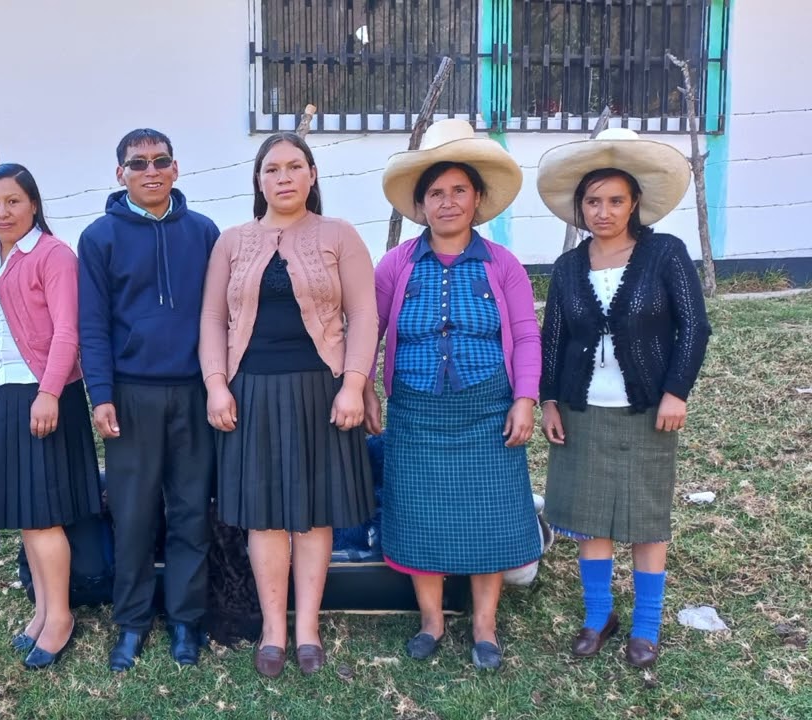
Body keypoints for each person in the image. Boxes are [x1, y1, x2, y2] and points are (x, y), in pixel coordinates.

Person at [200, 132, 378, 678]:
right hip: (249, 389)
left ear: (312, 175)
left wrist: (353, 384)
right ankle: (274, 629)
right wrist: (215, 384)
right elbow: (211, 319)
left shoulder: (339, 235)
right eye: (272, 168)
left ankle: (308, 629)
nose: (283, 177)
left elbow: (365, 316)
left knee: (313, 512)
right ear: (258, 180)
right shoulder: (232, 241)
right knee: (264, 513)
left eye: (294, 166)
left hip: (320, 391)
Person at [536, 128, 711, 668]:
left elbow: (694, 327)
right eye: (593, 201)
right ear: (579, 208)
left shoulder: (664, 253)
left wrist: (675, 392)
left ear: (634, 203)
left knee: (643, 517)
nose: (603, 211)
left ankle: (646, 627)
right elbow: (553, 339)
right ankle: (598, 616)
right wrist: (548, 401)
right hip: (582, 408)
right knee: (590, 519)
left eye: (615, 200)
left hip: (646, 410)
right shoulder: (568, 267)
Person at [374, 119, 542, 671]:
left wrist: (525, 398)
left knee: (489, 516)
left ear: (477, 200)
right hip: (416, 410)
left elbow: (523, 334)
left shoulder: (504, 265)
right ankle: (432, 621)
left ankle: (485, 627)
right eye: (435, 194)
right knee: (420, 514)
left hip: (487, 410)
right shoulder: (396, 265)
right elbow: (367, 332)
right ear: (420, 205)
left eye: (458, 192)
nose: (447, 203)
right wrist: (362, 388)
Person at [77, 128, 220, 671]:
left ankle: (186, 620)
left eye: (160, 161)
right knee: (133, 516)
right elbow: (93, 325)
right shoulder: (99, 238)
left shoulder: (205, 233)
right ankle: (132, 622)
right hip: (132, 395)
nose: (151, 171)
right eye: (138, 164)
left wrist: (217, 385)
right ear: (121, 174)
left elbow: (222, 317)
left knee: (189, 512)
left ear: (176, 169)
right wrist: (101, 395)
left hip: (193, 392)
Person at [0, 163, 102, 670]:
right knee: (26, 512)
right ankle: (43, 608)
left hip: (41, 393)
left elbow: (69, 332)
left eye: (13, 201)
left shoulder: (53, 255)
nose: (2, 212)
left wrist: (48, 392)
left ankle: (61, 616)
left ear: (33, 204)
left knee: (44, 514)